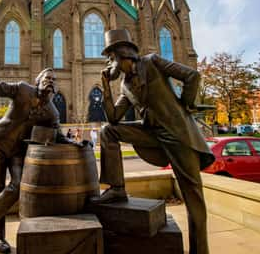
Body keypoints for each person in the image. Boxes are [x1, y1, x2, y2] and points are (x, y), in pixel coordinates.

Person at [91, 30, 215, 254]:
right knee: (109, 131)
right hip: (153, 135)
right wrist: (105, 87)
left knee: (193, 198)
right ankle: (116, 188)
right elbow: (114, 117)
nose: (108, 63)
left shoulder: (152, 62)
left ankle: (200, 250)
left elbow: (192, 76)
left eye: (110, 58)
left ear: (121, 55)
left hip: (179, 136)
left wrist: (185, 104)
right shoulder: (125, 86)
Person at [0, 52, 73, 254]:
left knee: (18, 184)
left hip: (18, 151)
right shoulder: (22, 89)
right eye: (47, 78)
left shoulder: (52, 112)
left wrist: (78, 144)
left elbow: (60, 136)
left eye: (54, 80)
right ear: (37, 81)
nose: (51, 82)